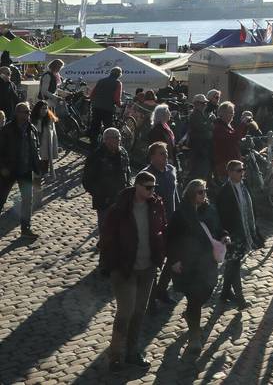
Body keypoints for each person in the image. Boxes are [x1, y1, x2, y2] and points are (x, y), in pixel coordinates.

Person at [100, 169, 167, 372]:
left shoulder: (156, 206)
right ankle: (116, 355)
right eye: (147, 187)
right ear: (137, 186)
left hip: (147, 268)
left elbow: (162, 229)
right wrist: (109, 265)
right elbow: (106, 238)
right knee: (125, 312)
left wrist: (161, 254)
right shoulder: (119, 209)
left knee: (139, 312)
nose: (151, 191)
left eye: (153, 187)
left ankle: (132, 352)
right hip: (125, 269)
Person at [167, 179, 225, 353]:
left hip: (208, 263)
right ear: (191, 193)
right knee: (194, 298)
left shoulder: (209, 210)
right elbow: (171, 238)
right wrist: (175, 260)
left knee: (206, 292)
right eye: (200, 191)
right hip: (189, 263)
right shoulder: (181, 214)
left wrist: (224, 236)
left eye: (205, 191)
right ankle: (194, 338)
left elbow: (219, 228)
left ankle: (191, 315)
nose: (204, 194)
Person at [215, 158, 264, 308]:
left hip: (245, 232)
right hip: (232, 234)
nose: (242, 173)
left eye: (243, 170)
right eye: (239, 170)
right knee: (234, 264)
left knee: (233, 264)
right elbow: (221, 215)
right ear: (230, 173)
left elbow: (251, 206)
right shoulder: (224, 191)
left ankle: (224, 294)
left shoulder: (244, 186)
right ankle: (240, 299)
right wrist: (225, 234)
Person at [82, 127, 131, 258]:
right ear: (106, 140)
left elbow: (127, 172)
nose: (119, 140)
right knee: (105, 229)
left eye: (119, 137)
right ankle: (105, 258)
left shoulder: (123, 153)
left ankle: (113, 254)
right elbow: (87, 180)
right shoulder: (97, 156)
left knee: (119, 229)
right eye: (115, 138)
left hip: (120, 198)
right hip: (104, 200)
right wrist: (99, 193)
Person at [142, 141, 178, 308]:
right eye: (162, 153)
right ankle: (150, 299)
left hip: (171, 223)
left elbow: (175, 195)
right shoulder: (146, 175)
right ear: (152, 156)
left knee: (173, 258)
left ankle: (161, 290)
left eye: (166, 153)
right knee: (154, 262)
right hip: (154, 226)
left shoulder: (171, 171)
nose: (166, 156)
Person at [0, 101, 42, 238]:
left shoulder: (32, 129)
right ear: (17, 113)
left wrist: (37, 166)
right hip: (9, 170)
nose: (28, 114)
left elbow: (35, 148)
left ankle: (26, 229)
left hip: (26, 169)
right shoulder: (7, 130)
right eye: (25, 112)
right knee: (1, 199)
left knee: (27, 200)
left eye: (29, 112)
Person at [211, 102, 252, 180]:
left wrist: (246, 126)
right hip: (225, 165)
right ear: (221, 113)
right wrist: (243, 124)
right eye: (230, 112)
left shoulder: (227, 126)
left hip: (232, 163)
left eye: (233, 113)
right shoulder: (218, 127)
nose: (232, 115)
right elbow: (233, 137)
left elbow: (239, 136)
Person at [30, 99, 59, 205]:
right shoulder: (33, 120)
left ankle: (44, 176)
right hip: (37, 147)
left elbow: (53, 135)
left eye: (46, 109)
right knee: (37, 171)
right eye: (42, 108)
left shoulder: (50, 120)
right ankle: (36, 193)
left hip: (46, 148)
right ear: (38, 109)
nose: (45, 111)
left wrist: (54, 147)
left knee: (45, 165)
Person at [88, 67, 123, 144]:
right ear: (119, 75)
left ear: (110, 73)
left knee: (95, 124)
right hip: (108, 108)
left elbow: (92, 93)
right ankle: (107, 144)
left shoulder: (101, 81)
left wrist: (94, 101)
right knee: (108, 126)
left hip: (96, 106)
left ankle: (93, 142)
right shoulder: (118, 83)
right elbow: (116, 98)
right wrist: (120, 105)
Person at [187, 93, 213, 180]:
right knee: (198, 171)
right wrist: (209, 123)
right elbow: (203, 127)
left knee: (203, 170)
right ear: (196, 104)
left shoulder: (202, 114)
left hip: (203, 147)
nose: (205, 105)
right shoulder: (194, 115)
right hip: (198, 148)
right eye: (203, 103)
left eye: (205, 103)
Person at [147, 104, 177, 168]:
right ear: (163, 114)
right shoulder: (157, 130)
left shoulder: (166, 126)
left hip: (168, 158)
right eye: (168, 112)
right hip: (161, 161)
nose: (170, 114)